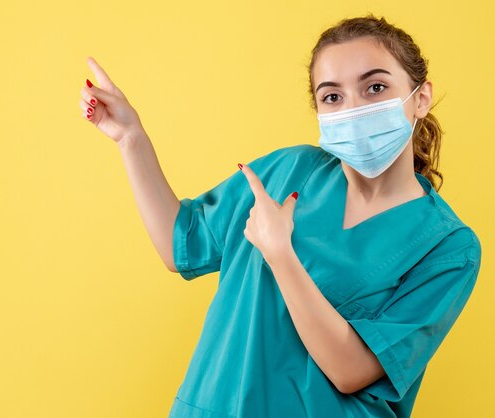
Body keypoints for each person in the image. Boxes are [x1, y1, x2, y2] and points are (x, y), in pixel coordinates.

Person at [79, 14, 482, 418]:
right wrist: (130, 137)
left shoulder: (448, 246)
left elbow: (351, 370)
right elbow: (178, 244)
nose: (353, 109)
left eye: (375, 88)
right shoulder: (288, 171)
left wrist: (281, 254)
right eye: (332, 97)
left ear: (420, 97)